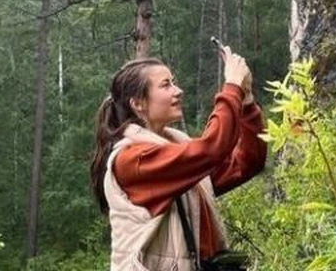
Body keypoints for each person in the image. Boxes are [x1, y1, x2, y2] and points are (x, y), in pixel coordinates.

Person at [90, 46, 266, 270]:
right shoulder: (133, 160)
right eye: (166, 85)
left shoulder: (177, 150)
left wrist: (247, 99)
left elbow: (247, 163)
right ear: (138, 103)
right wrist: (231, 86)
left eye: (173, 82)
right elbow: (211, 149)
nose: (178, 90)